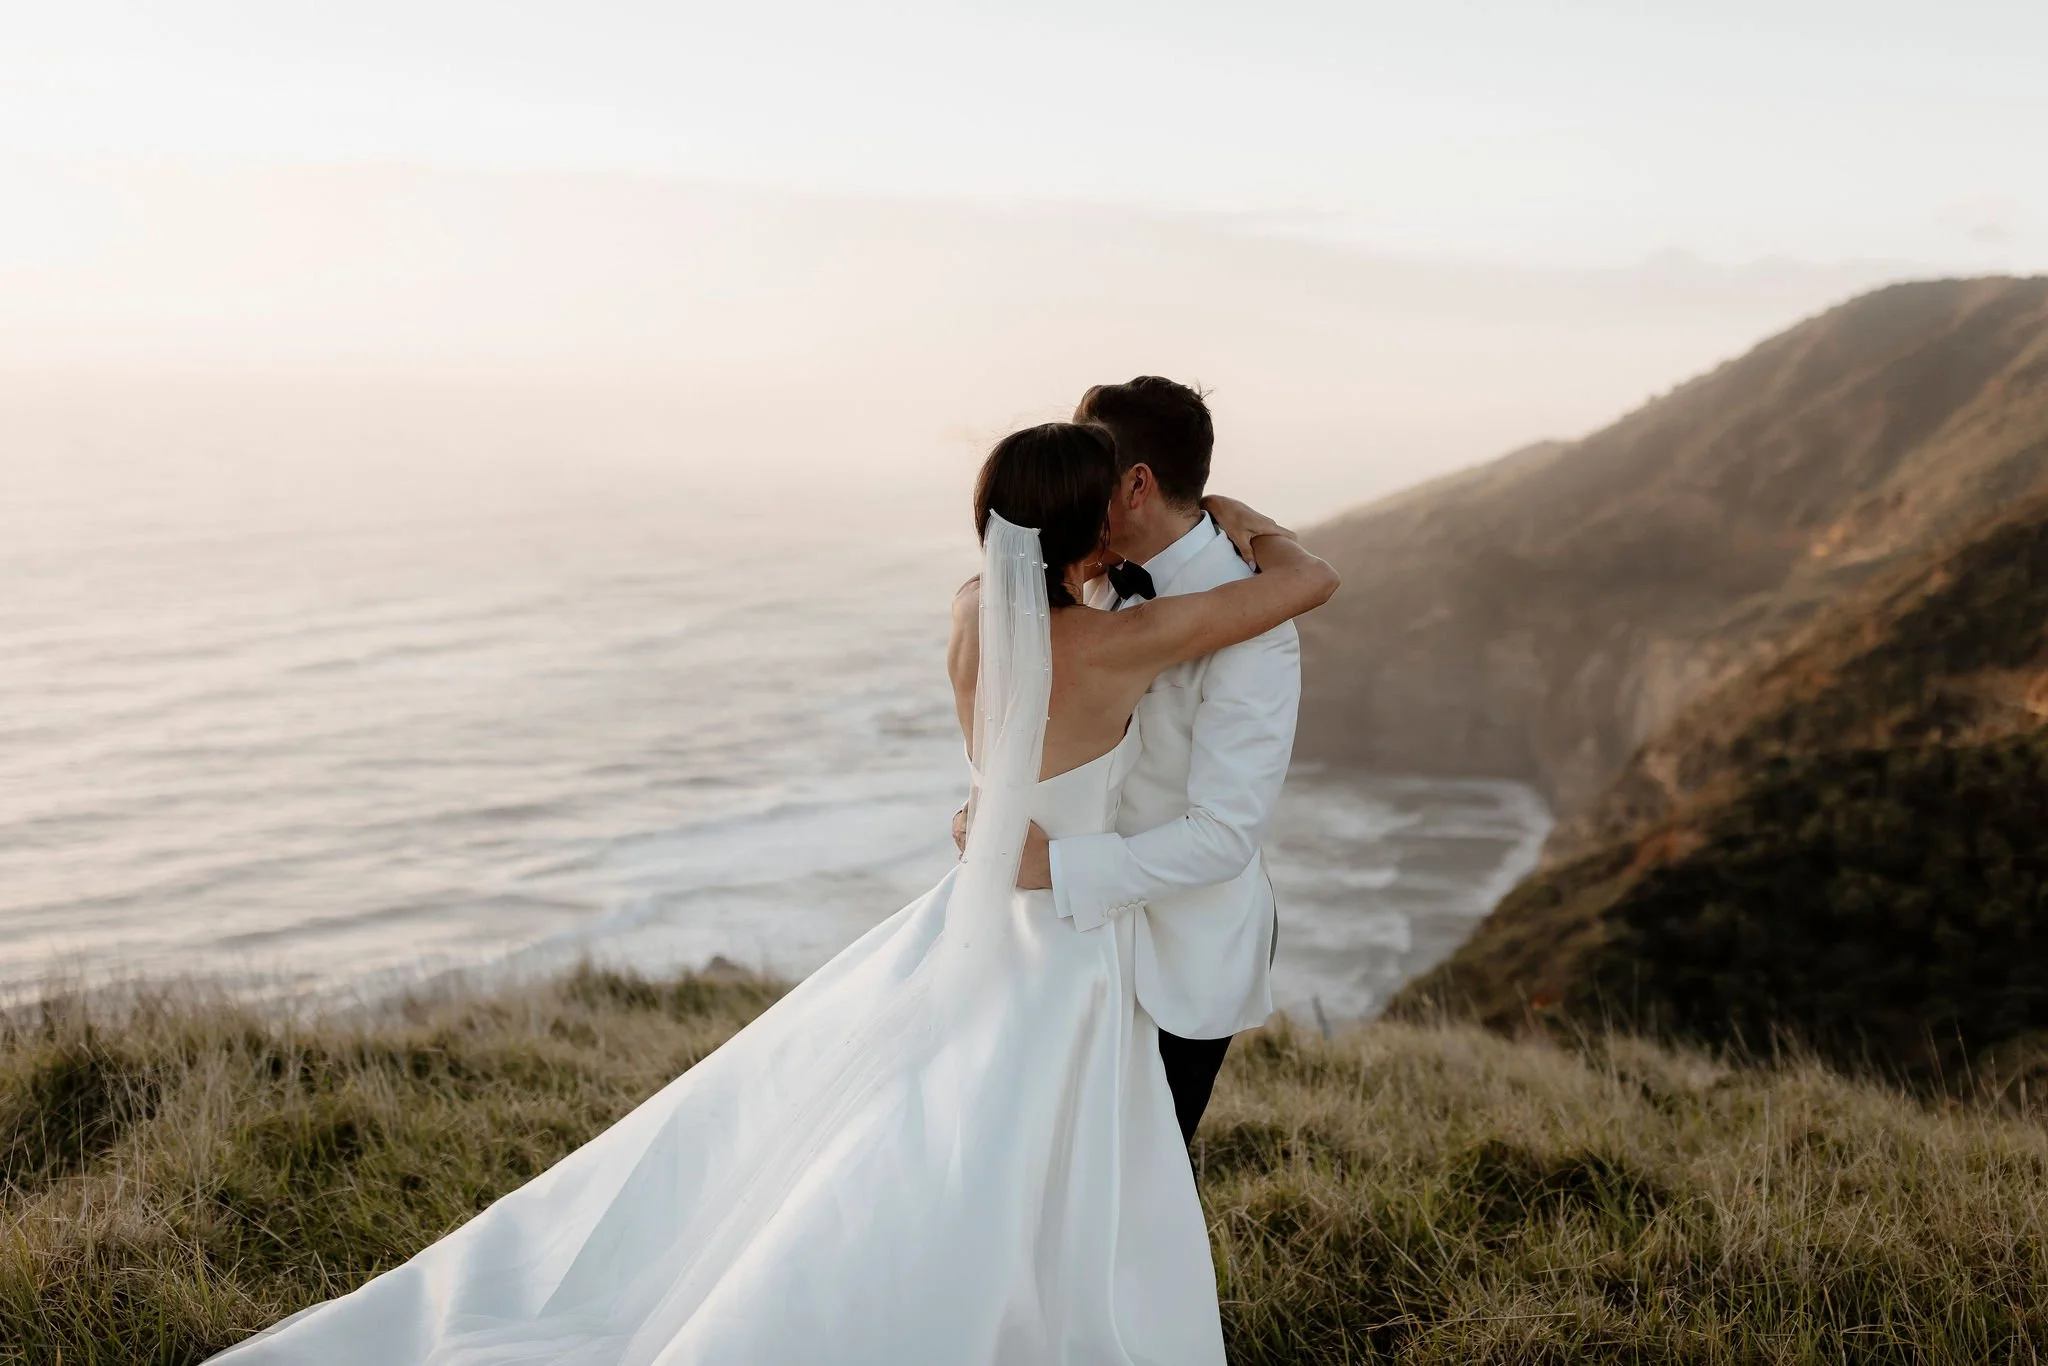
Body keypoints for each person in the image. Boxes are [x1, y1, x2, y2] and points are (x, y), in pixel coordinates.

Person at [208, 420, 1337, 1365]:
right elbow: (1302, 587)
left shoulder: (966, 610)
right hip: (1066, 939)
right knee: (1032, 1158)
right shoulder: (1124, 643)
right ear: (1095, 520)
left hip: (970, 909)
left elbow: (1004, 759)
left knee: (917, 1134)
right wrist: (1246, 517)